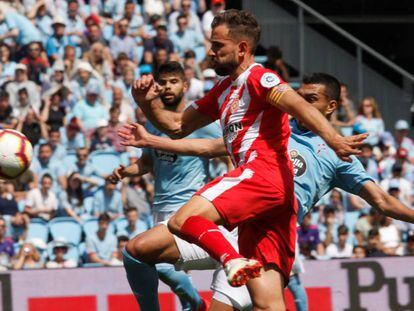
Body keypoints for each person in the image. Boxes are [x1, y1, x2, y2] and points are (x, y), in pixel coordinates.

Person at [121, 10, 366, 309]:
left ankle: (232, 260)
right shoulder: (224, 89)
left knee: (182, 220)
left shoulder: (260, 78)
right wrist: (148, 103)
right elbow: (176, 127)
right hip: (272, 201)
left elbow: (298, 105)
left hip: (262, 175)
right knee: (268, 304)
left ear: (241, 49)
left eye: (217, 45)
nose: (210, 52)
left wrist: (334, 139)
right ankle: (235, 260)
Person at [117, 71, 414, 310]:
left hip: (267, 235)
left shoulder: (338, 153)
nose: (302, 104)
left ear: (331, 106)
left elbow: (383, 202)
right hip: (228, 222)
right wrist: (153, 142)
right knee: (137, 251)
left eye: (311, 99)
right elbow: (208, 147)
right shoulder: (275, 127)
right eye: (299, 98)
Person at [109, 62, 221, 311]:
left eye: (174, 81)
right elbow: (148, 162)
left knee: (157, 263)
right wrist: (125, 172)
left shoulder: (200, 122)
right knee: (160, 266)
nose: (168, 87)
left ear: (185, 85)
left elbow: (227, 150)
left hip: (189, 207)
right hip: (160, 208)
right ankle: (195, 305)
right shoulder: (151, 124)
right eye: (163, 82)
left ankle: (195, 303)